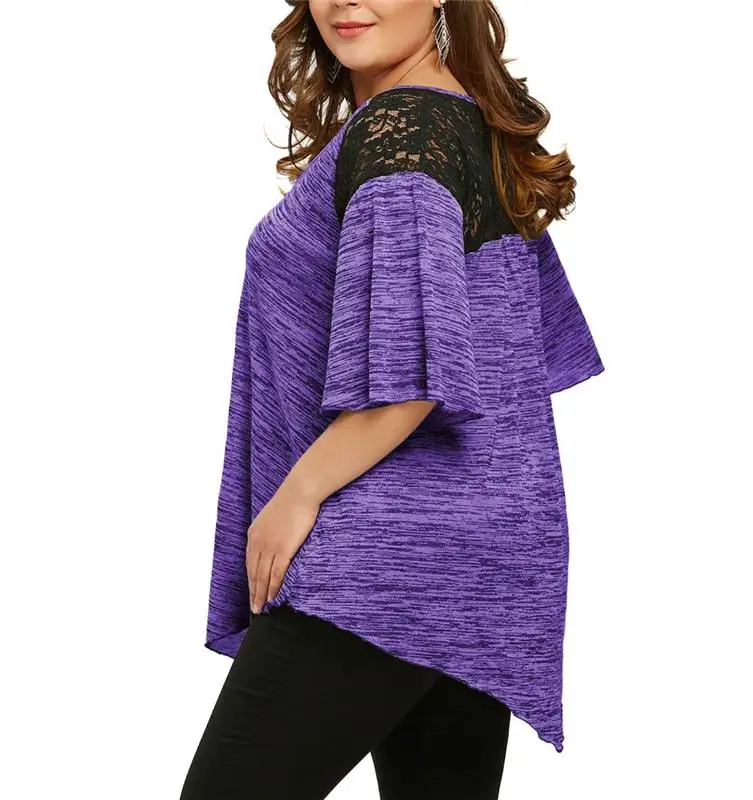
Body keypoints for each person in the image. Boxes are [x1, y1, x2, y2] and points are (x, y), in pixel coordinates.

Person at [180, 1, 604, 797]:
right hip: (481, 549)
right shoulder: (458, 122)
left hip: (387, 553)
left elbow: (412, 369)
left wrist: (296, 495)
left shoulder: (404, 131)